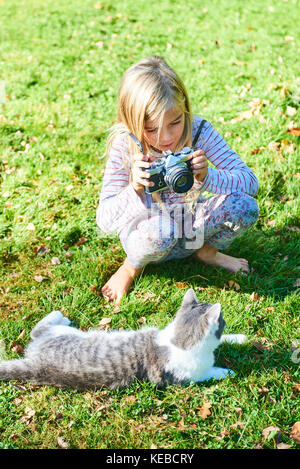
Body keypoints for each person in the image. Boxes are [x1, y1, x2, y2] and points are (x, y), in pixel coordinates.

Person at [96, 56, 259, 305]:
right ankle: (131, 268)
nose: (167, 138)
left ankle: (206, 252)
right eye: (151, 129)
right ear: (131, 122)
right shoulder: (125, 144)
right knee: (162, 230)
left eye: (175, 122)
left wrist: (208, 177)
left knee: (245, 207)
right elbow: (104, 221)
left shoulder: (199, 130)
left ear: (185, 108)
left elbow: (250, 183)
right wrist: (136, 189)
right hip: (149, 235)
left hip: (193, 227)